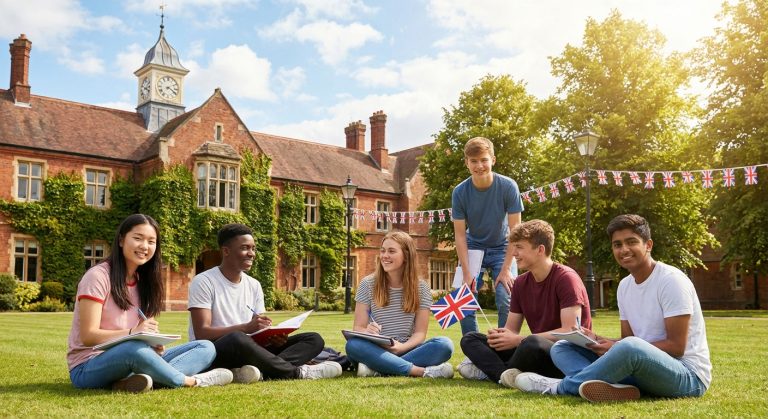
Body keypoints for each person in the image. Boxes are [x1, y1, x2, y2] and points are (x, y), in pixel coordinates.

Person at [512, 214, 712, 403]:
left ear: (648, 245)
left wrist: (618, 347)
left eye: (631, 242)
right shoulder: (625, 286)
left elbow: (677, 347)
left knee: (630, 347)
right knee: (563, 346)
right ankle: (611, 387)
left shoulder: (671, 281)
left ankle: (559, 387)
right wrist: (600, 340)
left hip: (687, 375)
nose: (624, 249)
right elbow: (627, 340)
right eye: (617, 244)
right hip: (641, 368)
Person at [67, 214, 232, 393]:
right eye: (138, 238)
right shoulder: (98, 276)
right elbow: (88, 336)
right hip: (88, 365)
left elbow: (143, 334)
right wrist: (133, 333)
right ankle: (192, 381)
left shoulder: (145, 281)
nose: (144, 246)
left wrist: (153, 344)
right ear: (121, 240)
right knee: (133, 349)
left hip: (135, 357)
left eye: (151, 241)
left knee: (206, 347)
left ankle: (132, 381)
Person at [188, 223, 342, 382]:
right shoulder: (204, 282)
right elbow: (202, 333)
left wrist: (273, 337)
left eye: (253, 248)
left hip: (252, 348)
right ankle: (297, 372)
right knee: (237, 338)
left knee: (313, 339)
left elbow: (259, 327)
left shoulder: (254, 285)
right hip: (217, 351)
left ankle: (258, 372)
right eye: (245, 248)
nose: (251, 253)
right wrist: (245, 328)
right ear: (226, 251)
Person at [461, 220, 591, 383]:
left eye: (519, 247)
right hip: (530, 348)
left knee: (531, 343)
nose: (513, 253)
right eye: (514, 247)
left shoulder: (566, 279)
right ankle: (504, 375)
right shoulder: (521, 283)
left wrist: (518, 340)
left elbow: (570, 332)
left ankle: (495, 371)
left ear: (540, 250)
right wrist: (500, 337)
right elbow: (511, 330)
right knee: (470, 339)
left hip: (564, 352)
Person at [345, 231, 455, 378]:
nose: (384, 256)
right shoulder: (368, 284)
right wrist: (368, 331)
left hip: (407, 348)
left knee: (444, 345)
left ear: (406, 256)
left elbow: (420, 333)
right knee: (353, 346)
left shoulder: (421, 288)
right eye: (383, 251)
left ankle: (379, 369)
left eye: (391, 251)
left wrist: (401, 347)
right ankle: (419, 371)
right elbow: (358, 328)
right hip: (376, 348)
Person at [452, 136, 523, 340]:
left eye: (484, 160)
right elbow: (459, 235)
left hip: (503, 247)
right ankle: (472, 350)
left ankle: (504, 348)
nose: (479, 166)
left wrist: (506, 269)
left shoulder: (508, 186)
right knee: (464, 297)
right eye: (474, 161)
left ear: (493, 159)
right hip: (473, 246)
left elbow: (515, 232)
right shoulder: (460, 192)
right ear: (467, 163)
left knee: (505, 297)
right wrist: (467, 273)